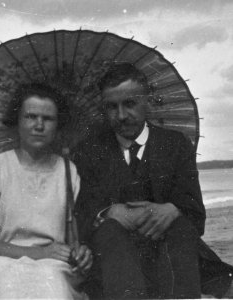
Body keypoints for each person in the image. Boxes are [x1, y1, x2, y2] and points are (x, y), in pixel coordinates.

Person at [73, 63, 233, 299]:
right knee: (109, 231)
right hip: (116, 265)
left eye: (129, 103)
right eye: (111, 107)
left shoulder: (175, 144)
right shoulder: (90, 151)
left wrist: (173, 209)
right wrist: (107, 212)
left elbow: (196, 216)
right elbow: (82, 218)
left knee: (180, 228)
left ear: (146, 100)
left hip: (172, 258)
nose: (121, 115)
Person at [0, 83, 92, 299]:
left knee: (53, 287)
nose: (39, 125)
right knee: (10, 286)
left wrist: (79, 252)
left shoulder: (67, 170)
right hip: (0, 262)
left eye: (48, 118)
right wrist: (38, 253)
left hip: (52, 264)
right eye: (30, 116)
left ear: (58, 125)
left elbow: (71, 239)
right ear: (17, 122)